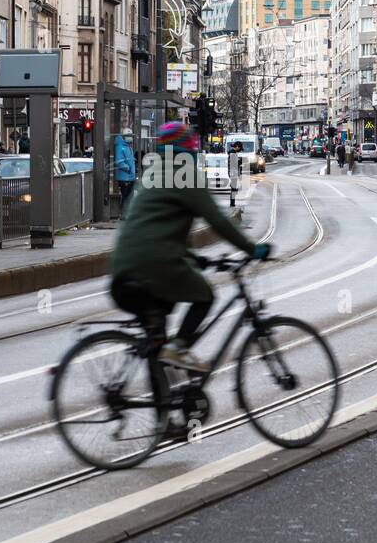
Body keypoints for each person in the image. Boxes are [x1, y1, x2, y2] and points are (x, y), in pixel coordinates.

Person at [110, 121, 269, 374]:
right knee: (205, 296)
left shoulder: (151, 174)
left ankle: (164, 402)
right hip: (153, 268)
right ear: (187, 150)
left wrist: (192, 258)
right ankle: (180, 348)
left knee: (158, 344)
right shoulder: (188, 175)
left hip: (123, 270)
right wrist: (252, 249)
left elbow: (155, 227)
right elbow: (218, 221)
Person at [114, 129, 137, 211]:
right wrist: (128, 168)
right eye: (128, 136)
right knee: (126, 196)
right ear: (123, 137)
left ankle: (126, 213)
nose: (130, 138)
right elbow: (119, 161)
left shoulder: (128, 146)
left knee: (128, 196)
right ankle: (123, 214)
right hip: (124, 177)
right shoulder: (120, 146)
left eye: (131, 136)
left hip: (129, 177)